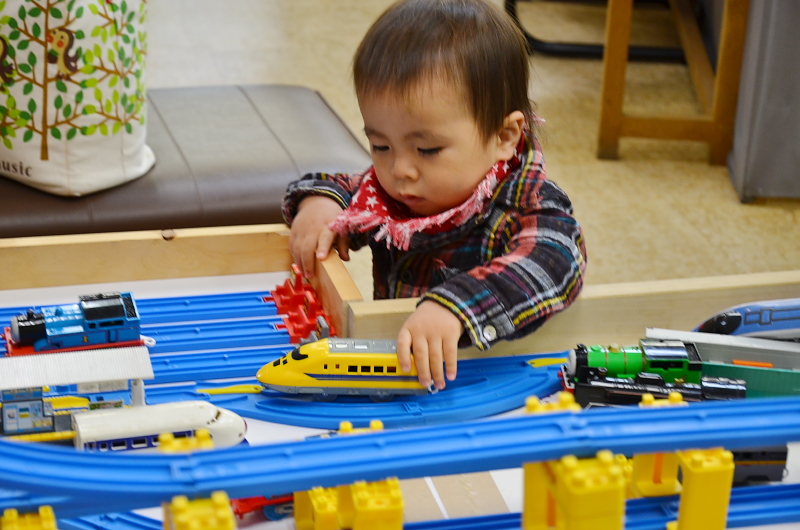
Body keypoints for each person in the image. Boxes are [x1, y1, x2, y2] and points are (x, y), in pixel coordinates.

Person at [282, 0, 587, 391]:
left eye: (427, 150)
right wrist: (320, 204)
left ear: (504, 136)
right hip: (405, 377)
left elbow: (554, 262)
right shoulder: (395, 190)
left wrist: (456, 305)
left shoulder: (527, 204)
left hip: (486, 382)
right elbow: (342, 186)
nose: (400, 170)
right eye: (380, 145)